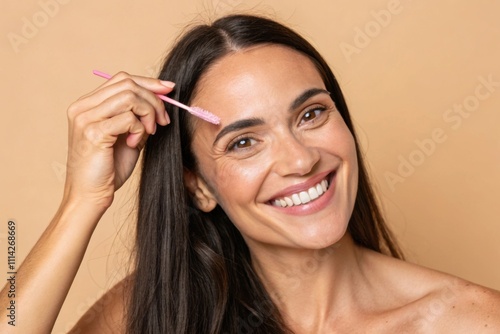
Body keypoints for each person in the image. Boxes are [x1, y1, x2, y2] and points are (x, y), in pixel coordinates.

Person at [1, 14, 499, 334]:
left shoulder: (471, 321)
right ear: (197, 188)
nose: (300, 161)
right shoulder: (158, 309)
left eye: (311, 114)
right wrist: (82, 203)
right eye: (243, 142)